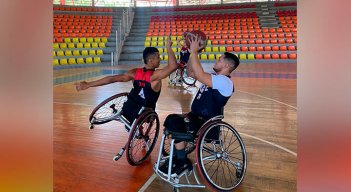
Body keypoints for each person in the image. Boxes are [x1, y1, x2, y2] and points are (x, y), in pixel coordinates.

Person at [159, 35, 240, 175]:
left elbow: (200, 75)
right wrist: (192, 53)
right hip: (195, 117)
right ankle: (179, 159)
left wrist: (194, 52)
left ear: (227, 65)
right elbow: (191, 72)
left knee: (175, 123)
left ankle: (182, 162)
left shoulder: (225, 82)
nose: (217, 60)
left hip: (206, 122)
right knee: (172, 121)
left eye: (220, 59)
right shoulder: (213, 78)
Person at [75, 37, 178, 123]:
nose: (160, 59)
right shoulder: (155, 76)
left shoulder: (134, 73)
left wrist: (88, 84)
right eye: (158, 57)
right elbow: (173, 66)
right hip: (146, 113)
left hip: (130, 107)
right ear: (150, 60)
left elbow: (111, 79)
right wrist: (168, 47)